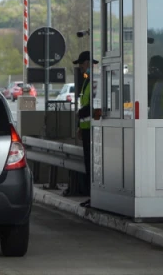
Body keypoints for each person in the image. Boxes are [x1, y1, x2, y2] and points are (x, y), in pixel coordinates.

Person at [73, 51, 101, 208]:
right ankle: (92, 196)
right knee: (88, 165)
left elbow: (93, 106)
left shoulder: (95, 82)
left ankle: (94, 197)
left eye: (81, 64)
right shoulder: (87, 81)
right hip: (86, 129)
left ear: (88, 64)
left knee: (92, 165)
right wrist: (79, 126)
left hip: (93, 130)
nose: (81, 68)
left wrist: (80, 114)